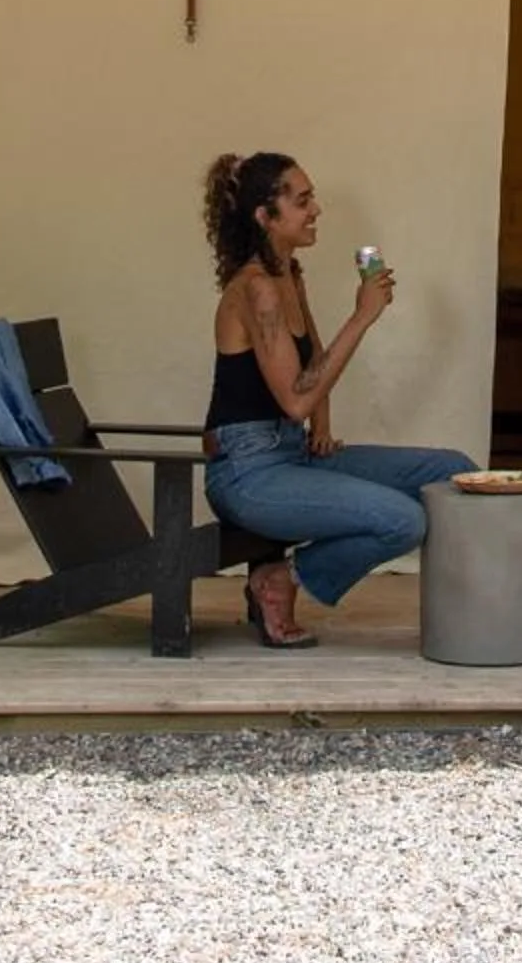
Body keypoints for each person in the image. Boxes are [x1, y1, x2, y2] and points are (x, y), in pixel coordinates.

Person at [199, 152, 475, 647]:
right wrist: (364, 315)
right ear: (266, 216)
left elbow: (313, 365)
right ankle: (282, 580)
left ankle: (484, 603)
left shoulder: (288, 275)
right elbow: (295, 400)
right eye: (302, 201)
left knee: (452, 469)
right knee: (403, 520)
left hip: (291, 452)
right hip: (247, 471)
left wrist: (321, 429)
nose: (316, 210)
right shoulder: (255, 289)